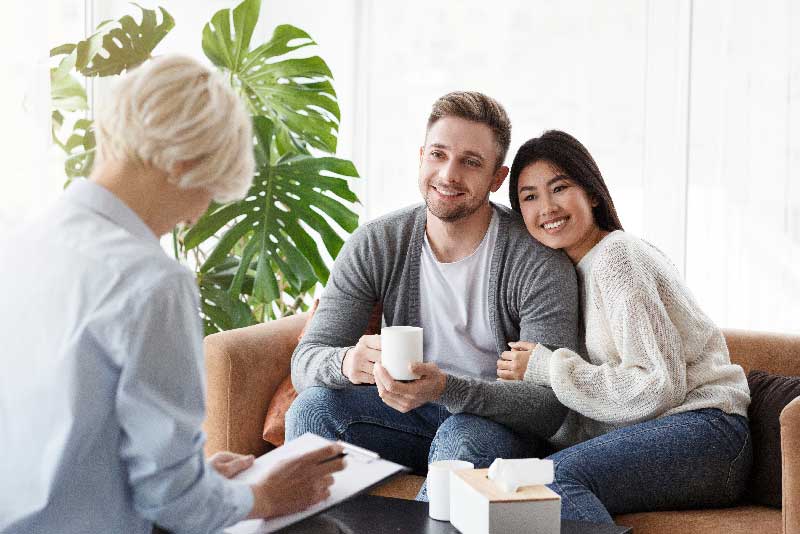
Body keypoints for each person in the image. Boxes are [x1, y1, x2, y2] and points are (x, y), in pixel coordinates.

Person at [0, 55, 344, 534]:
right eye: (209, 190)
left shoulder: (19, 241)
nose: (196, 215)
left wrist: (199, 479)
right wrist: (263, 495)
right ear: (183, 162)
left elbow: (66, 445)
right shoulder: (152, 282)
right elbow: (173, 503)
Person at [286, 91, 580, 498]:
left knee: (462, 438)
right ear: (422, 156)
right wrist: (347, 361)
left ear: (497, 178)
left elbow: (548, 407)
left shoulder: (537, 262)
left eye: (470, 162)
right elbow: (306, 360)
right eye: (438, 155)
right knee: (313, 409)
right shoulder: (377, 243)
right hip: (404, 416)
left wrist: (446, 389)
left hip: (493, 425)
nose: (448, 174)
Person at [501, 129, 752, 523]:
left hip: (709, 431)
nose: (546, 207)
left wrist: (547, 368)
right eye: (530, 197)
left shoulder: (617, 257)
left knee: (552, 484)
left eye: (559, 188)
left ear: (593, 193)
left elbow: (658, 383)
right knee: (526, 481)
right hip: (673, 434)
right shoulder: (566, 275)